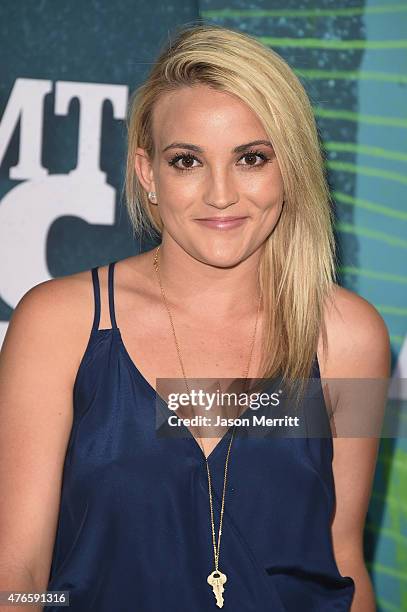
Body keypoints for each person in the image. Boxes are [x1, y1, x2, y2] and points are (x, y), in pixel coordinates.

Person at [0, 22, 390, 612]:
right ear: (148, 173)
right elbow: (19, 572)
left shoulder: (348, 337)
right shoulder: (59, 324)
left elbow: (341, 560)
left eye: (251, 158)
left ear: (292, 168)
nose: (221, 194)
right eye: (187, 161)